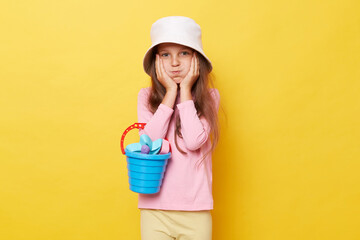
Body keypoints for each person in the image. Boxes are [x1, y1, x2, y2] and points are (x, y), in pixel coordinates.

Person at [137, 16, 220, 240]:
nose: (174, 63)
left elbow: (194, 141)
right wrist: (170, 94)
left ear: (196, 59)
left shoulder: (210, 98)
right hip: (155, 210)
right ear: (156, 61)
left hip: (196, 212)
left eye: (183, 53)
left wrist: (184, 92)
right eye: (166, 55)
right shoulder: (146, 97)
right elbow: (149, 145)